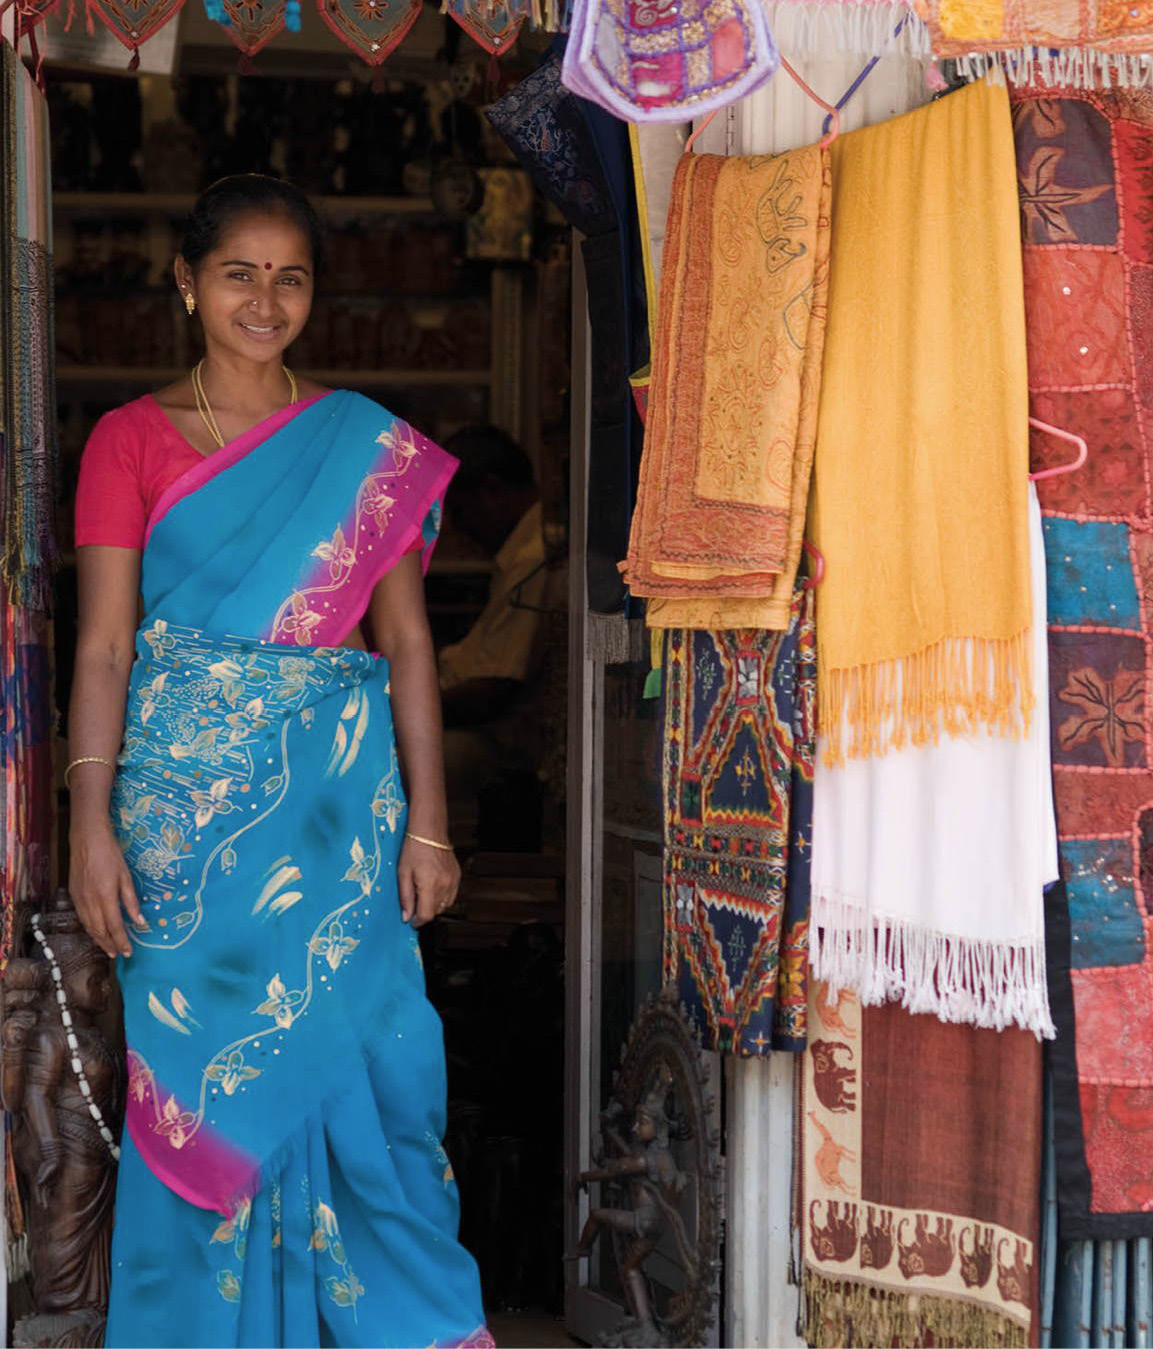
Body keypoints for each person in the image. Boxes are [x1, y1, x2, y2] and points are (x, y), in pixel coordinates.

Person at [67, 173, 493, 1349]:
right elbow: (102, 645)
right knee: (208, 1092)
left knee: (373, 1072)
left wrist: (431, 824)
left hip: (338, 832)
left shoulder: (364, 445)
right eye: (239, 273)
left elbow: (407, 641)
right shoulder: (129, 440)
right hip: (184, 846)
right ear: (187, 283)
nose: (265, 299)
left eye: (290, 276)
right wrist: (89, 820)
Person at [437, 427, 560, 846]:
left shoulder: (534, 558)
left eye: (458, 508)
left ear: (490, 491)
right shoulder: (519, 556)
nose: (456, 525)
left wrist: (406, 715)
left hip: (510, 747)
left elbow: (495, 689)